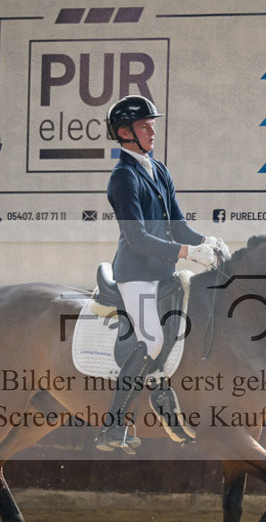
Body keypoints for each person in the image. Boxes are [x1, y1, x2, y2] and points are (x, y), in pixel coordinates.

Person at [96, 95, 229, 453]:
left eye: (152, 125)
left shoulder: (158, 169)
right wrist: (188, 253)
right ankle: (113, 426)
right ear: (124, 133)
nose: (152, 131)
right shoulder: (123, 178)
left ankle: (165, 394)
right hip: (136, 273)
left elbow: (178, 226)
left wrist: (207, 242)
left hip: (164, 271)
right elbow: (137, 238)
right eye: (144, 126)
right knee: (151, 341)